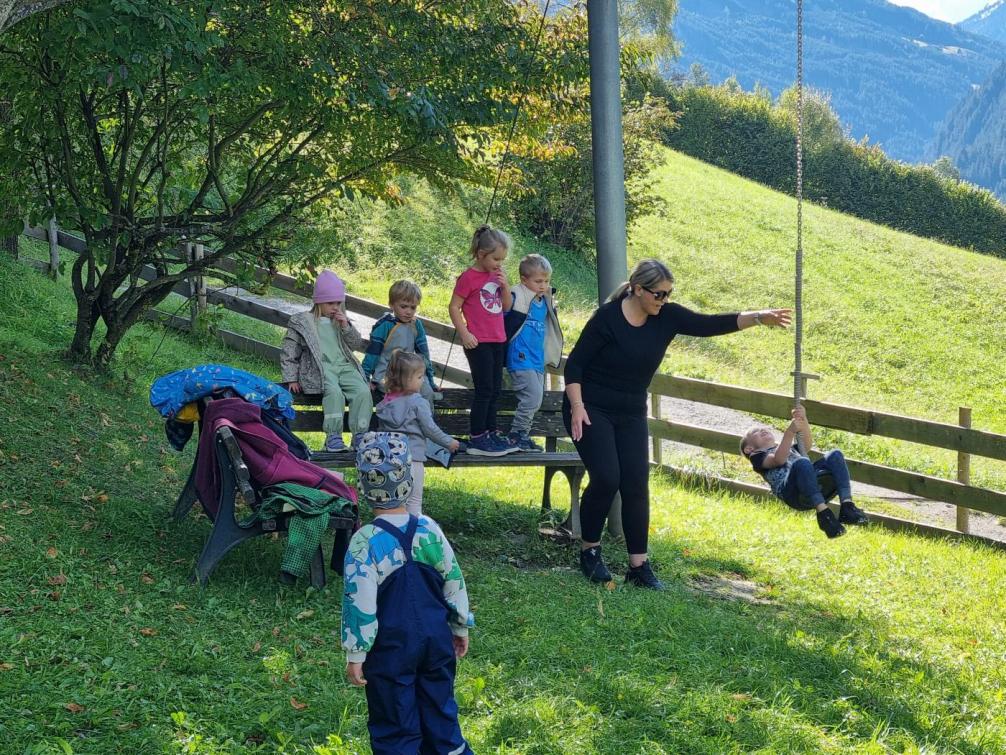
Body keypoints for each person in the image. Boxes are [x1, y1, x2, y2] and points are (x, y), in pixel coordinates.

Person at [564, 258, 792, 590]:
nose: (664, 300)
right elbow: (575, 366)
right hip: (589, 406)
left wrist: (759, 317)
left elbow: (709, 324)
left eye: (669, 294)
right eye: (659, 294)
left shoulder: (666, 317)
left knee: (636, 484)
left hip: (629, 411)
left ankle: (638, 567)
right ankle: (590, 551)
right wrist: (577, 406)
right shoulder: (607, 319)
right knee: (607, 477)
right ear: (638, 289)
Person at [342, 432, 474, 755]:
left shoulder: (364, 543)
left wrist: (356, 653)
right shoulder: (429, 529)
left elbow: (359, 606)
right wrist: (459, 625)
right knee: (441, 713)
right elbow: (453, 580)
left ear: (363, 486)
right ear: (409, 481)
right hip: (435, 642)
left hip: (391, 651)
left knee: (395, 722)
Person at [740, 405, 869, 538]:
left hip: (812, 485)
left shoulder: (789, 449)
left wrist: (803, 419)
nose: (762, 430)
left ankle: (847, 506)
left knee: (835, 455)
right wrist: (789, 432)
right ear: (749, 449)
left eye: (764, 428)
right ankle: (824, 515)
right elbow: (778, 460)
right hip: (793, 494)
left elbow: (806, 445)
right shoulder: (757, 456)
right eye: (756, 431)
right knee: (802, 462)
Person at [280, 270, 373, 452]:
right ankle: (333, 437)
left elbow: (355, 344)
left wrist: (346, 326)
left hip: (345, 366)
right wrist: (291, 378)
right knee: (334, 393)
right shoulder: (303, 322)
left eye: (339, 303)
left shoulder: (340, 321)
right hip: (320, 368)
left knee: (362, 391)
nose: (335, 307)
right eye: (330, 303)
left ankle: (360, 435)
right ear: (318, 301)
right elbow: (289, 351)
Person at [448, 224, 519, 457]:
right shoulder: (469, 278)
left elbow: (507, 307)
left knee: (496, 388)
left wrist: (505, 286)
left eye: (503, 259)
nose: (500, 263)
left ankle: (491, 432)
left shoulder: (496, 277)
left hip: (499, 339)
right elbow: (454, 306)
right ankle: (478, 436)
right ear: (481, 255)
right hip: (478, 341)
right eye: (496, 258)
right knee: (485, 389)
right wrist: (465, 333)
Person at [376, 351, 462, 516]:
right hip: (413, 459)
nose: (422, 381)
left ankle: (394, 533)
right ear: (406, 380)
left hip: (390, 460)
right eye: (420, 377)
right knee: (414, 502)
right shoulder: (418, 403)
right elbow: (430, 429)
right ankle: (413, 536)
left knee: (394, 503)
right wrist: (449, 442)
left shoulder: (386, 403)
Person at [503, 253, 563, 452]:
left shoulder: (545, 301)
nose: (543, 285)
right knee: (533, 397)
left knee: (535, 399)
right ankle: (517, 434)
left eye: (546, 281)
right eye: (538, 281)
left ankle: (521, 435)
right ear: (523, 279)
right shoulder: (516, 296)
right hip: (520, 357)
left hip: (537, 359)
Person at [363, 279, 437, 405]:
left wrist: (430, 381)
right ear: (392, 304)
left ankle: (425, 423)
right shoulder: (385, 325)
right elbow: (373, 353)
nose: (408, 311)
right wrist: (365, 378)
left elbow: (423, 355)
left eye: (413, 307)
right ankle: (400, 424)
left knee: (427, 393)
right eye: (404, 306)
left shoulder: (416, 325)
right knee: (401, 396)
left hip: (411, 373)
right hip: (387, 374)